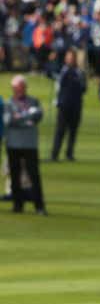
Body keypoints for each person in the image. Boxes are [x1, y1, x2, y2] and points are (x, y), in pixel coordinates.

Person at [4, 75, 46, 215]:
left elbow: (38, 116)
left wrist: (20, 117)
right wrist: (27, 118)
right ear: (13, 88)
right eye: (17, 87)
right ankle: (18, 204)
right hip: (13, 143)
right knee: (15, 175)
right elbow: (8, 120)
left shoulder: (33, 101)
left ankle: (39, 205)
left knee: (34, 175)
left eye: (22, 86)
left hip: (30, 144)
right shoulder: (8, 103)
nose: (19, 89)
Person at [51, 48, 87, 161]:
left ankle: (69, 153)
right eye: (68, 57)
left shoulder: (79, 72)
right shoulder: (63, 70)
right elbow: (52, 74)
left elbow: (83, 88)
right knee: (60, 130)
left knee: (73, 131)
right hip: (63, 105)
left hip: (76, 105)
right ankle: (54, 154)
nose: (69, 59)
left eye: (71, 57)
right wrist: (51, 62)